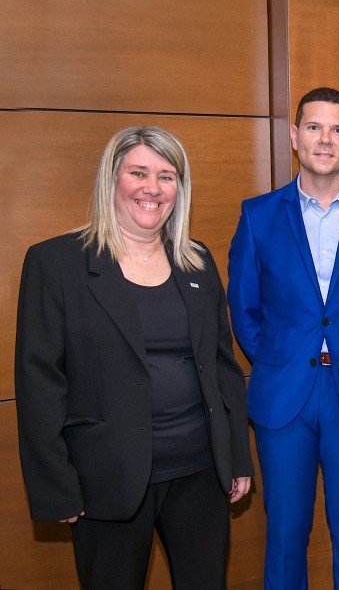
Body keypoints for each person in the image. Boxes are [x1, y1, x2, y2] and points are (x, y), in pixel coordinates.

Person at [15, 126, 253, 589]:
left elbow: (223, 366)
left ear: (179, 189)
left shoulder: (197, 260)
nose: (152, 188)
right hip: (106, 481)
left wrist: (237, 457)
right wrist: (55, 486)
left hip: (200, 475)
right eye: (138, 172)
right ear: (112, 179)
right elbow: (39, 383)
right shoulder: (56, 264)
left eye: (167, 176)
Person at [228, 87, 339, 589]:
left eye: (336, 129)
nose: (324, 139)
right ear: (294, 136)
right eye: (313, 127)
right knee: (285, 536)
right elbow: (244, 308)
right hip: (283, 397)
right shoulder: (258, 215)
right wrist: (278, 358)